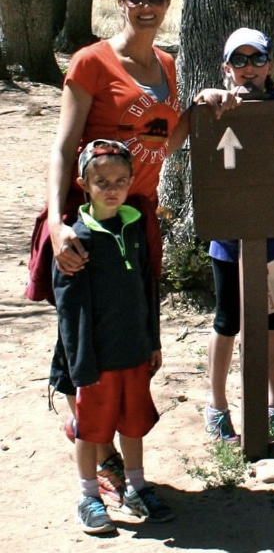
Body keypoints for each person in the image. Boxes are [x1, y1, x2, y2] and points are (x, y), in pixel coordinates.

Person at [25, 0, 237, 502]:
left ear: (168, 3)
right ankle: (96, 451)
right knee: (82, 342)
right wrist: (57, 220)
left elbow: (162, 145)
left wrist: (198, 105)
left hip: (136, 222)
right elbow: (63, 146)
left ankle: (107, 451)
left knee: (130, 337)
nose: (147, 4)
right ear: (121, 0)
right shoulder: (92, 62)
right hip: (86, 223)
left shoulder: (165, 64)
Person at [54, 140, 174, 534]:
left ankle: (137, 485)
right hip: (96, 356)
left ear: (131, 181)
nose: (112, 188)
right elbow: (70, 311)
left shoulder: (135, 225)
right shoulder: (76, 239)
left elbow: (146, 286)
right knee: (91, 427)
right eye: (101, 181)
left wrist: (153, 341)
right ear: (83, 184)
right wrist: (78, 363)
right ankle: (89, 494)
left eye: (120, 180)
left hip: (134, 349)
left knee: (133, 423)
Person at [204, 28, 274, 444]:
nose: (249, 69)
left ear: (270, 65)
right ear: (227, 68)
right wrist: (209, 95)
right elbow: (198, 106)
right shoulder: (215, 108)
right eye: (239, 61)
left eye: (256, 60)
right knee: (227, 322)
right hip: (228, 242)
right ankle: (217, 407)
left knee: (272, 323)